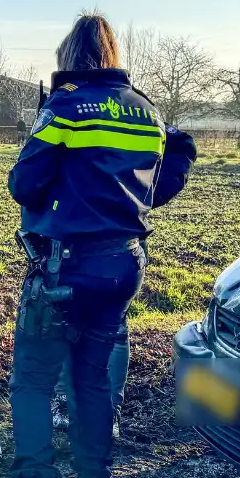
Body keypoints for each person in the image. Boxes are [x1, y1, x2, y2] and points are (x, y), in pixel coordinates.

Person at [0, 12, 174, 478]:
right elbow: (157, 186)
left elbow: (24, 184)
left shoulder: (65, 106)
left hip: (63, 268)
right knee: (93, 381)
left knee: (31, 380)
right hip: (124, 265)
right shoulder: (148, 112)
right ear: (114, 55)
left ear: (68, 57)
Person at [51, 124, 197, 438]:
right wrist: (142, 194)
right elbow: (182, 143)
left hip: (79, 238)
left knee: (69, 323)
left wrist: (147, 194)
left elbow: (182, 143)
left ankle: (70, 406)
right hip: (123, 241)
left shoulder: (74, 105)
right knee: (110, 327)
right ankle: (102, 415)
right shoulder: (138, 109)